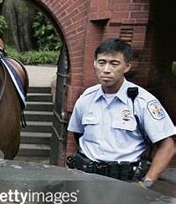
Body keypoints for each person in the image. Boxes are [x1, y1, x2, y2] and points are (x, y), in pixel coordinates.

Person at [67, 38, 175, 188]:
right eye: (102, 62)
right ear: (95, 64)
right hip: (86, 179)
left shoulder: (142, 101)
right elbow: (78, 134)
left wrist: (147, 182)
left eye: (114, 63)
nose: (106, 69)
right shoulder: (86, 98)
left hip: (125, 183)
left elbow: (168, 146)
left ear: (127, 66)